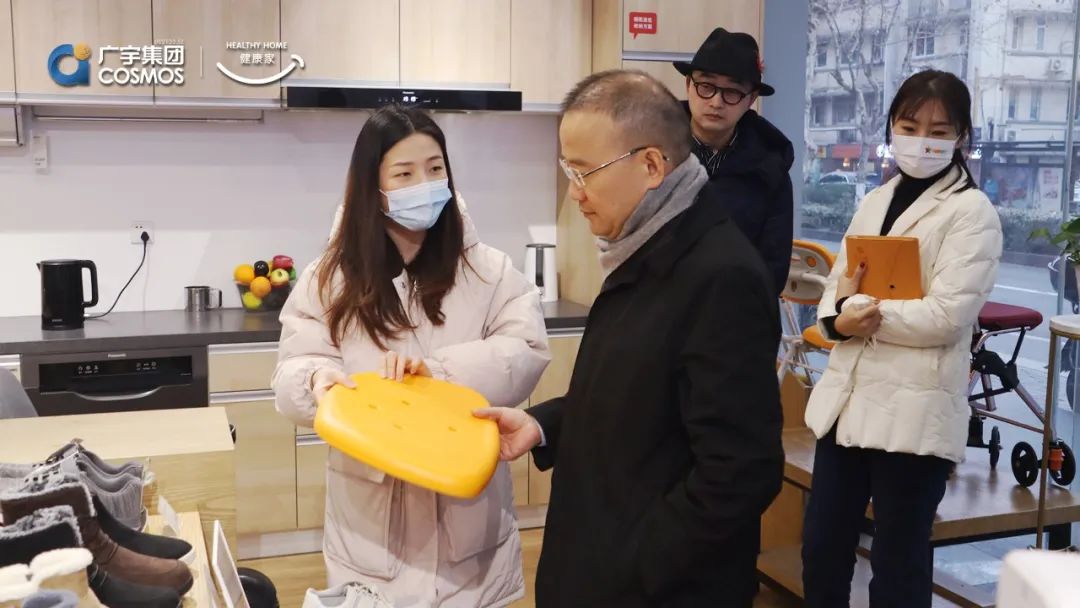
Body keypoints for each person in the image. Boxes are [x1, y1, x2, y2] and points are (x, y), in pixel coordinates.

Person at [474, 70, 784, 608]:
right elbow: (638, 395)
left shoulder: (720, 275)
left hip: (652, 590)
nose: (575, 193)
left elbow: (741, 471)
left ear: (651, 165)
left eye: (584, 172)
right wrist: (543, 425)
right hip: (601, 565)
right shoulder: (645, 248)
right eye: (568, 169)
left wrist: (637, 563)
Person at [271, 105, 550, 608]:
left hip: (470, 530)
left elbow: (527, 349)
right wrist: (316, 381)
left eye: (435, 168)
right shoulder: (329, 278)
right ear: (372, 186)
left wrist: (437, 378)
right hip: (370, 534)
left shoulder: (487, 269)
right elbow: (294, 367)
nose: (425, 184)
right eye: (404, 174)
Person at [801, 70, 1003, 608]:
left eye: (939, 131)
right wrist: (840, 318)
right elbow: (836, 288)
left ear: (961, 136)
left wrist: (861, 313)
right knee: (822, 549)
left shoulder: (972, 213)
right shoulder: (876, 199)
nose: (922, 141)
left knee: (898, 564)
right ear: (892, 126)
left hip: (915, 412)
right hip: (848, 406)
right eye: (910, 127)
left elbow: (947, 315)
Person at [674, 27, 794, 296]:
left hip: (736, 312)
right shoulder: (655, 151)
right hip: (658, 311)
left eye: (732, 92)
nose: (716, 102)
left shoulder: (770, 168)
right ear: (688, 85)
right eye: (706, 87)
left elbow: (772, 271)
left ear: (751, 99)